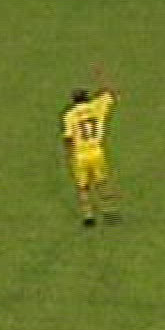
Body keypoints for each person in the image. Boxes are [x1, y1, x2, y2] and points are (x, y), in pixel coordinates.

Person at [60, 64, 121, 227]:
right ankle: (109, 213)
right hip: (97, 151)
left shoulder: (69, 115)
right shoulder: (96, 107)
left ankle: (88, 216)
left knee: (83, 187)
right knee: (101, 183)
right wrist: (101, 76)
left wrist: (68, 155)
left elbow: (68, 138)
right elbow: (110, 92)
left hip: (80, 154)